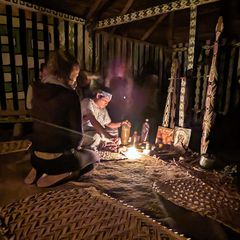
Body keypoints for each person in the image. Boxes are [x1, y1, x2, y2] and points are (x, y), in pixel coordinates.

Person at [24, 49, 99, 187]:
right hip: (58, 161)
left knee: (49, 150)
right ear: (67, 75)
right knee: (93, 157)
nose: (75, 81)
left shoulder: (36, 89)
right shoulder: (70, 95)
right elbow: (77, 137)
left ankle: (38, 170)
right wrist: (78, 147)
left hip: (35, 157)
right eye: (75, 77)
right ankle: (64, 173)